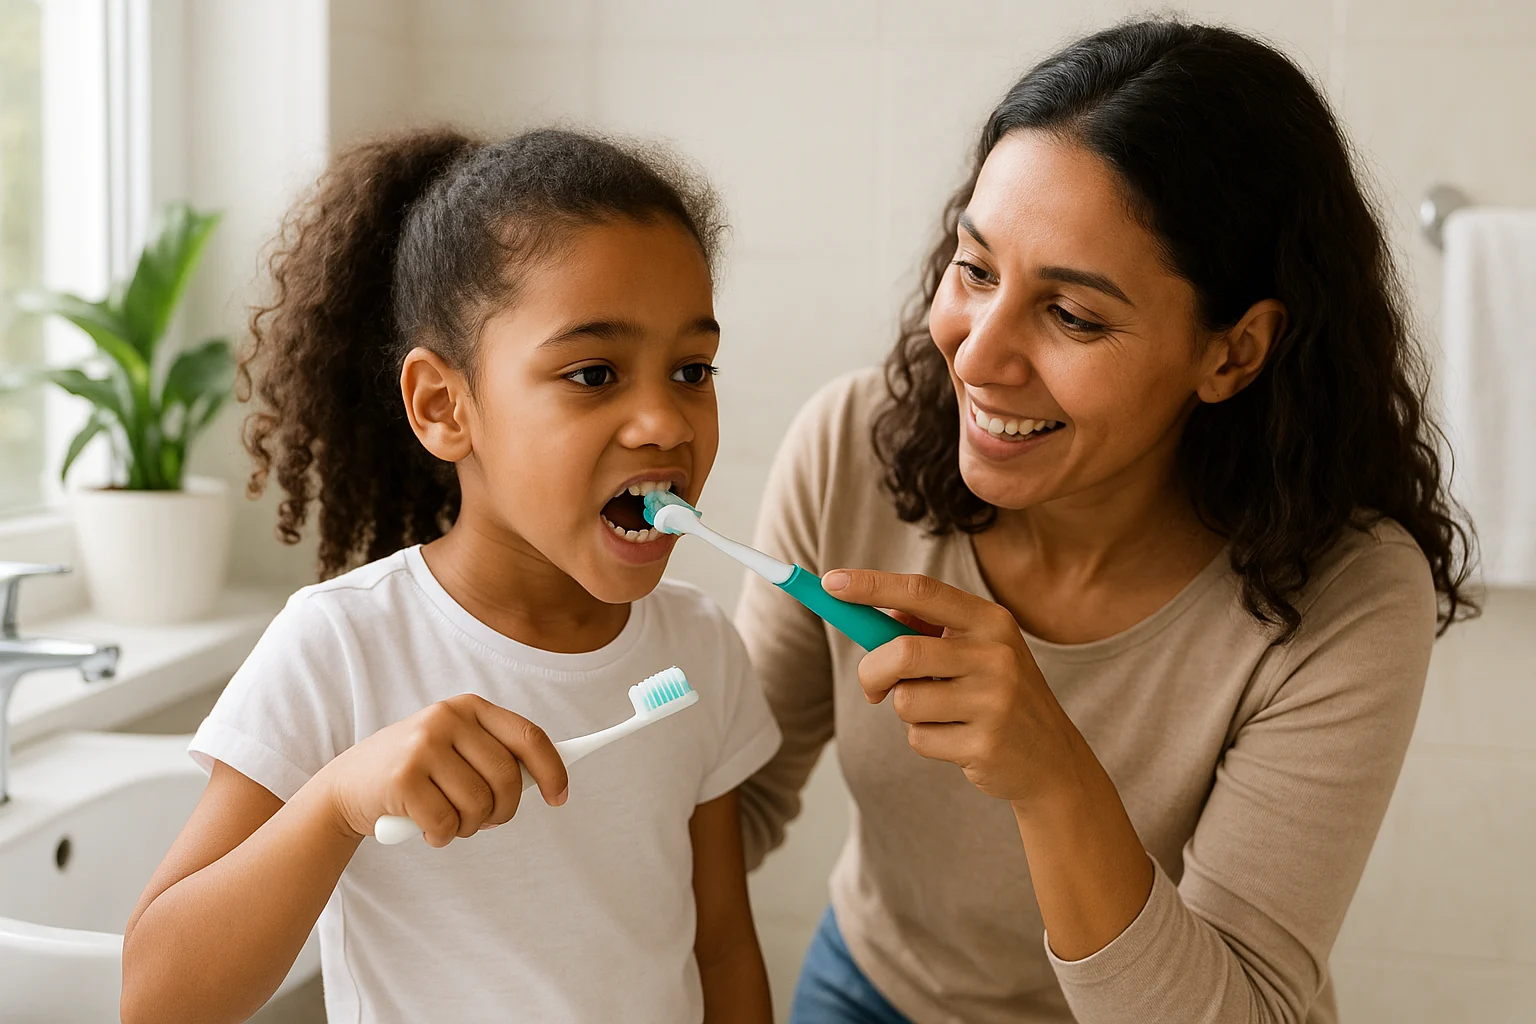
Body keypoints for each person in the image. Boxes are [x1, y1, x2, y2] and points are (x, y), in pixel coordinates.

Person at [737, 20, 1475, 1024]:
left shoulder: (1346, 592)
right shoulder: (849, 448)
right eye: (976, 269)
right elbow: (727, 802)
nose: (978, 357)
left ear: (1234, 352)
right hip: (876, 989)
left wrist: (1053, 775)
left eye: (1073, 315)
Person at [121, 128, 779, 1024]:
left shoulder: (701, 644)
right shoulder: (342, 645)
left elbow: (722, 947)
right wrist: (336, 802)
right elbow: (157, 1001)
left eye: (692, 369)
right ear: (444, 406)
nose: (664, 419)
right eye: (594, 373)